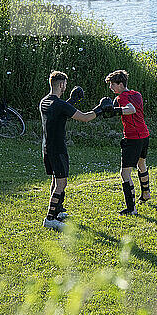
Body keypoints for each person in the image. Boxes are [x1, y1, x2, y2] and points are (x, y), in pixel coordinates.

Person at [39, 71, 111, 230]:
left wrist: (72, 101)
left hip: (47, 147)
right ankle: (50, 219)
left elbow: (58, 113)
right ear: (61, 85)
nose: (66, 86)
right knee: (61, 183)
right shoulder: (60, 105)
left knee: (56, 180)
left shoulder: (45, 101)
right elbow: (85, 117)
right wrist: (100, 109)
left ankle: (57, 212)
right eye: (65, 84)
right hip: (58, 149)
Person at [105, 70, 150, 215]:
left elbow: (130, 109)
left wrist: (115, 111)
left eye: (112, 85)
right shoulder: (137, 94)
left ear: (120, 84)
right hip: (144, 135)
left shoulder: (122, 97)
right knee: (141, 164)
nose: (111, 88)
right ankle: (146, 194)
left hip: (133, 138)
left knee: (125, 174)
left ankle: (131, 209)